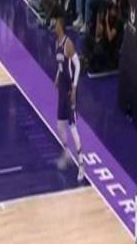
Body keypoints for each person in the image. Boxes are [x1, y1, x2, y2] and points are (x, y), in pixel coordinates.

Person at [54, 14, 84, 181]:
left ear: (61, 27)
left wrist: (74, 86)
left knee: (73, 128)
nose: (54, 26)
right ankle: (66, 153)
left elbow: (77, 65)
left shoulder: (68, 44)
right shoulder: (56, 43)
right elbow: (61, 65)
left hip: (69, 91)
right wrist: (57, 77)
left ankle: (81, 165)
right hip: (61, 90)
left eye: (56, 24)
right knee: (59, 125)